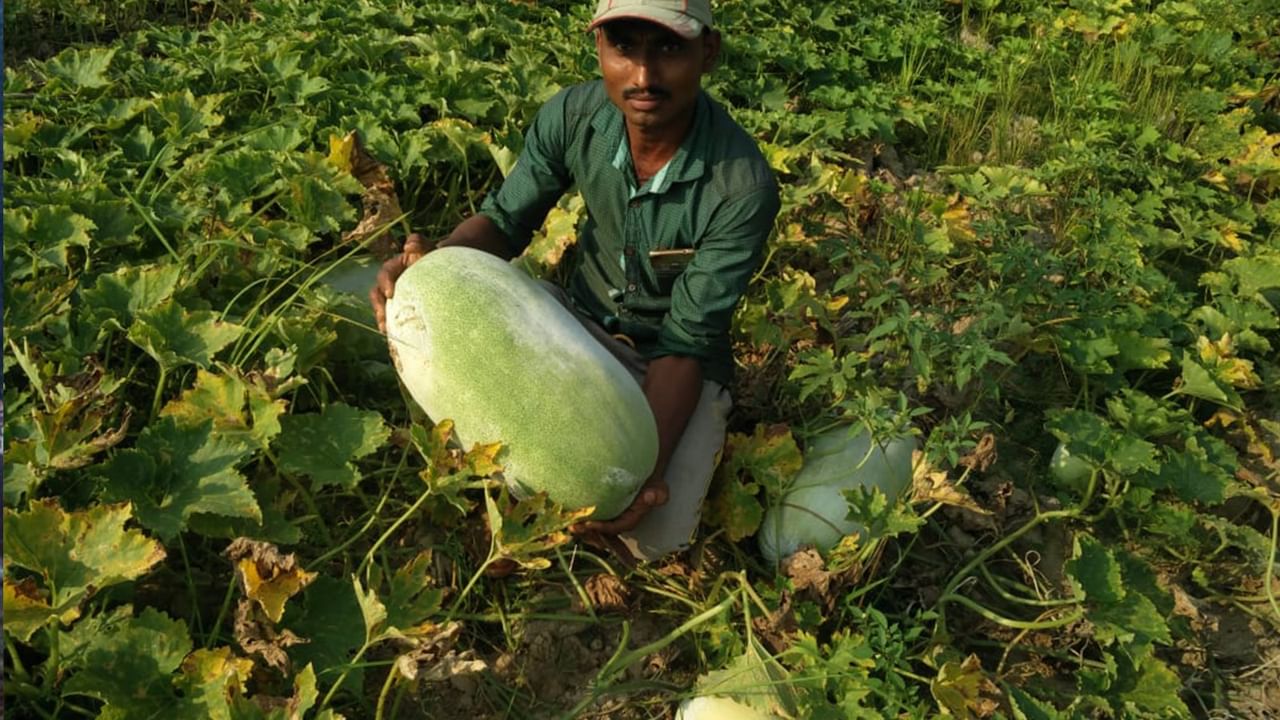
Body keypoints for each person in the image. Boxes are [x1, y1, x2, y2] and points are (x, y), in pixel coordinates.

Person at [370, 0, 780, 563]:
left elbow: (687, 339)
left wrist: (642, 478)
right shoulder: (575, 115)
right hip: (570, 322)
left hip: (673, 362)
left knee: (651, 537)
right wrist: (432, 267)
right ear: (599, 50)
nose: (643, 75)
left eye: (667, 48)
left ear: (707, 52)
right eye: (624, 47)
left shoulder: (741, 185)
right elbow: (506, 221)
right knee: (421, 332)